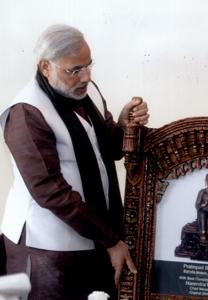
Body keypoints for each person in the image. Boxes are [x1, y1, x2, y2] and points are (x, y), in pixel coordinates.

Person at [0, 24, 149, 299]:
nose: (86, 77)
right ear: (46, 67)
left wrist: (124, 126)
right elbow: (51, 192)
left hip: (97, 238)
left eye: (88, 66)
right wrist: (111, 240)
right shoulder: (25, 113)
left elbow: (105, 147)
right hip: (47, 248)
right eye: (74, 70)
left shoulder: (87, 91)